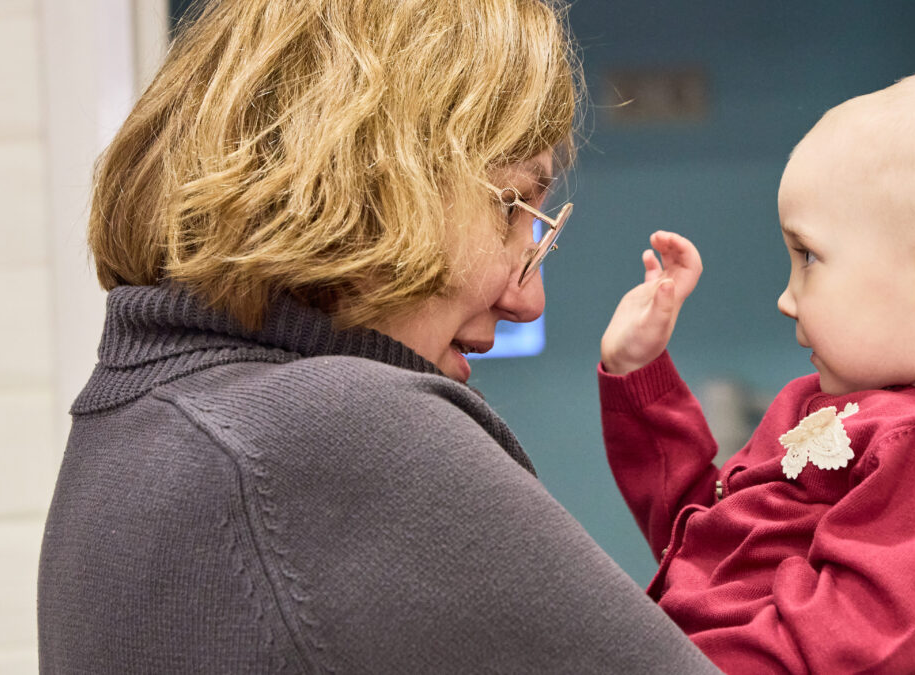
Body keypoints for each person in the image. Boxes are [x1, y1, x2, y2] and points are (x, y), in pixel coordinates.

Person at [37, 1, 721, 672]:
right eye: (510, 209)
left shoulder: (131, 428)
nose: (527, 300)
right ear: (372, 177)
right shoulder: (336, 430)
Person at [596, 66, 915, 673]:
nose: (786, 298)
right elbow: (702, 541)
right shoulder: (826, 406)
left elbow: (845, 658)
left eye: (808, 257)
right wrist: (639, 374)